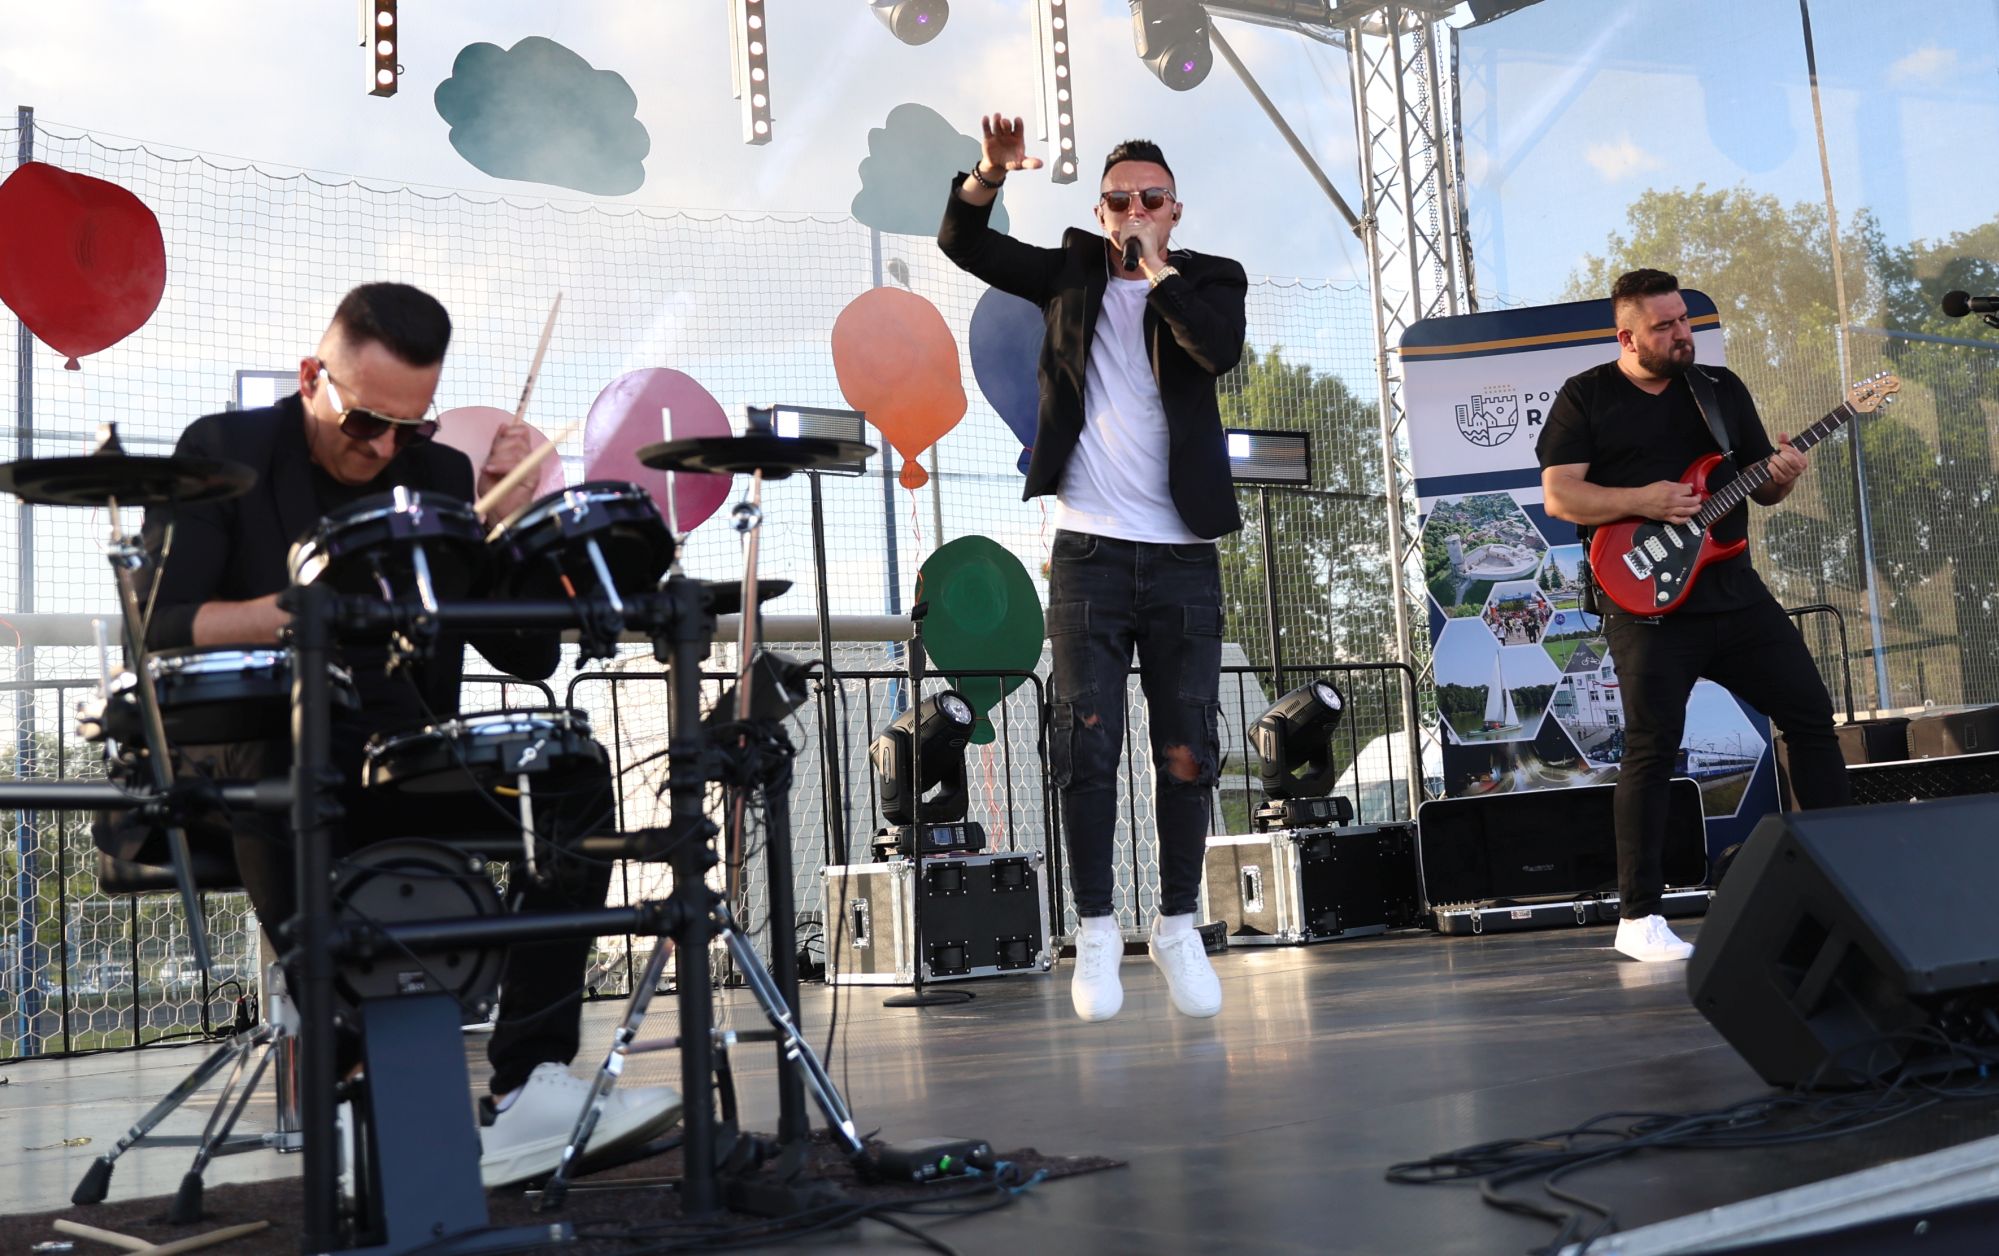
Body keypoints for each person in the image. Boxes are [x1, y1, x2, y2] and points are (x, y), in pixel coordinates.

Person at [135, 282, 681, 1185]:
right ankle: (354, 1083)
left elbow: (526, 653)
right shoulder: (224, 450)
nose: (384, 448)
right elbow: (160, 625)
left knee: (569, 778)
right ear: (311, 377)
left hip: (399, 750)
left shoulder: (436, 476)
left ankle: (530, 1079)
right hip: (258, 736)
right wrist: (306, 611)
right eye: (364, 422)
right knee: (288, 758)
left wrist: (505, 529)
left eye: (410, 426)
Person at [938, 116, 1247, 1022]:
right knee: (1085, 743)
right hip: (1090, 552)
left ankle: (1178, 923)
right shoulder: (1068, 271)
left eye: (1151, 199)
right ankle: (1098, 926)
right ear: (1100, 209)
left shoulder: (1210, 280)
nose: (1133, 210)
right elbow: (963, 242)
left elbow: (1214, 350)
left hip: (1183, 554)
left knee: (1187, 748)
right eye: (1119, 200)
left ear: (1173, 210)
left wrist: (1157, 273)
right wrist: (988, 172)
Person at [1538, 268, 1850, 963]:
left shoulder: (1718, 390)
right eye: (1665, 326)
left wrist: (1782, 477)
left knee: (1808, 715)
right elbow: (1561, 497)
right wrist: (1641, 501)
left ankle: (1845, 877)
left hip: (1732, 592)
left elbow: (1759, 490)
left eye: (1684, 320)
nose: (1682, 334)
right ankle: (1638, 917)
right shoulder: (1586, 395)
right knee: (1651, 748)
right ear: (1627, 337)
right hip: (1646, 605)